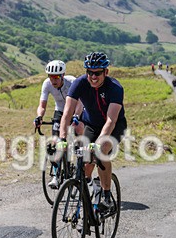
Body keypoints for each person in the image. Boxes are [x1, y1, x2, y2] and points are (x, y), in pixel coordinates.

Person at [58, 52, 127, 214]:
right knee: (85, 161)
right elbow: (67, 114)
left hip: (114, 126)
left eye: (97, 73)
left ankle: (107, 196)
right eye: (89, 72)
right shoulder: (79, 83)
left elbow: (111, 120)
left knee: (101, 152)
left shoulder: (115, 88)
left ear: (106, 72)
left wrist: (98, 143)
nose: (93, 76)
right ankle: (87, 186)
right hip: (91, 125)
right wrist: (62, 138)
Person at [33, 60, 82, 188]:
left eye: (56, 77)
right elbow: (42, 105)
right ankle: (56, 175)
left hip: (76, 110)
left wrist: (76, 116)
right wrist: (39, 117)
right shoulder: (46, 84)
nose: (53, 80)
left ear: (63, 75)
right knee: (56, 141)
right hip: (60, 111)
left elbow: (81, 102)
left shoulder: (72, 82)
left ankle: (80, 163)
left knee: (78, 134)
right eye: (50, 76)